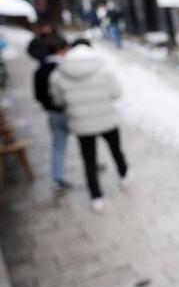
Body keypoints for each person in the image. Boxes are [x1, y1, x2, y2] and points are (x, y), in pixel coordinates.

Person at [49, 39, 129, 213]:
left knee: (89, 160)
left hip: (81, 123)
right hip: (107, 119)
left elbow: (58, 100)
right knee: (116, 150)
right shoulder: (104, 69)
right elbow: (116, 93)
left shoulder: (58, 74)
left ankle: (96, 197)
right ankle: (124, 176)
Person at [33, 36, 72, 193]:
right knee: (86, 140)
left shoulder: (40, 70)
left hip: (54, 113)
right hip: (72, 111)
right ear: (61, 50)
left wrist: (49, 106)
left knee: (58, 146)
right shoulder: (66, 67)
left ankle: (58, 179)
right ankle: (93, 164)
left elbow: (37, 95)